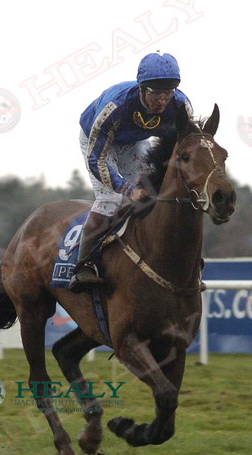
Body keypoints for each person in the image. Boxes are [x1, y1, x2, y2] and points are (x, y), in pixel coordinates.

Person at [69, 51, 193, 293]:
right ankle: (82, 266)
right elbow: (97, 160)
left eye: (168, 94)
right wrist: (127, 189)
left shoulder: (181, 106)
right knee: (111, 199)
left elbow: (184, 147)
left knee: (153, 193)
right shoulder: (115, 107)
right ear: (141, 89)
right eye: (156, 94)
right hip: (100, 146)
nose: (162, 102)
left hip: (136, 140)